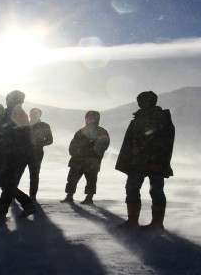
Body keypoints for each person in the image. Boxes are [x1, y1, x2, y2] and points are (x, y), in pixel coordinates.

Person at [115, 91, 175, 230]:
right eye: (139, 101)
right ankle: (132, 221)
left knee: (156, 191)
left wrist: (157, 160)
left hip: (154, 161)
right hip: (137, 161)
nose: (140, 103)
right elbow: (131, 141)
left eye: (142, 100)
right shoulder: (139, 117)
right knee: (132, 188)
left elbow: (163, 141)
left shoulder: (160, 117)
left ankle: (157, 223)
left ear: (151, 101)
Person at [0, 90, 37, 219]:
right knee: (7, 184)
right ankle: (2, 212)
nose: (7, 101)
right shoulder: (13, 113)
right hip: (14, 154)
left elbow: (18, 135)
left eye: (10, 99)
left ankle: (25, 204)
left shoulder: (16, 113)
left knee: (6, 184)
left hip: (13, 154)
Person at [61, 111, 110, 205]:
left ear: (97, 119)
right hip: (77, 160)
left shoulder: (102, 131)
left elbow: (104, 145)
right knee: (72, 178)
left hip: (92, 162)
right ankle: (69, 196)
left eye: (92, 118)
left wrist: (93, 154)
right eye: (88, 118)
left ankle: (89, 198)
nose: (89, 120)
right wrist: (74, 154)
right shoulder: (81, 131)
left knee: (91, 180)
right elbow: (73, 144)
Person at [28, 108, 53, 201]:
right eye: (32, 113)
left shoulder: (44, 125)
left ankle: (32, 196)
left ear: (40, 115)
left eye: (36, 113)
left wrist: (38, 143)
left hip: (36, 153)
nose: (33, 115)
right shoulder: (24, 124)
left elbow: (50, 140)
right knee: (16, 174)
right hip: (21, 152)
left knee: (34, 175)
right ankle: (12, 194)